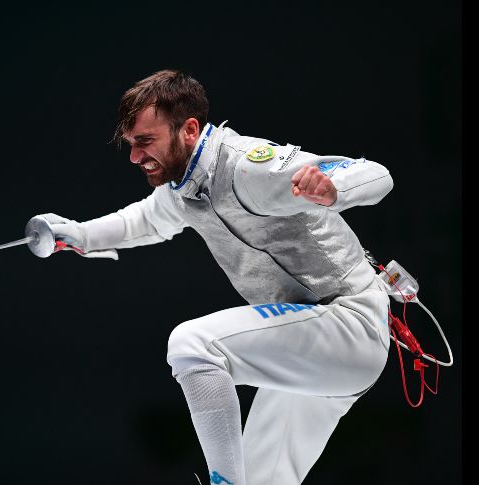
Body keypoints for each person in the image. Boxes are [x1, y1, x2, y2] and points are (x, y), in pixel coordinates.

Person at [35, 70, 394, 485]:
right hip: (310, 349)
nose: (134, 156)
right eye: (131, 144)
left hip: (350, 323)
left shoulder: (246, 167)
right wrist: (76, 235)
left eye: (145, 141)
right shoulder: (185, 189)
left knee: (193, 345)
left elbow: (376, 173)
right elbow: (145, 220)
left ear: (189, 130)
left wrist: (334, 189)